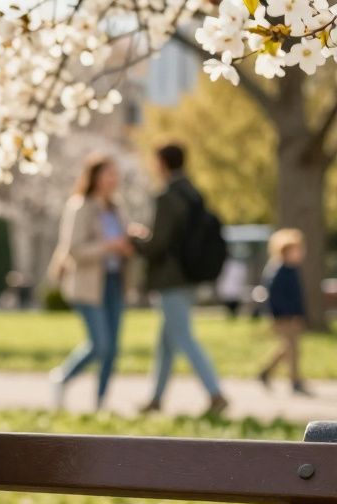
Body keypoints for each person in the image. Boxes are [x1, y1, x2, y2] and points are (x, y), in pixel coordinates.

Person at [128, 143, 229, 417]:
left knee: (183, 337)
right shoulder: (193, 193)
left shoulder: (166, 196)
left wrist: (136, 239)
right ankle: (156, 399)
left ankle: (215, 394)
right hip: (191, 275)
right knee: (166, 342)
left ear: (161, 162)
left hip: (170, 278)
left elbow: (159, 242)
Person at [46, 154, 133, 411]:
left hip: (115, 282)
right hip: (87, 285)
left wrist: (131, 240)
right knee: (100, 345)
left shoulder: (117, 208)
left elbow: (124, 239)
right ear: (94, 176)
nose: (113, 179)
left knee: (113, 349)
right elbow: (73, 249)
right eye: (108, 173)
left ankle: (101, 403)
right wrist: (109, 247)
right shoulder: (80, 206)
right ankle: (62, 377)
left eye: (115, 174)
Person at [257, 228, 310, 396]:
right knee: (292, 348)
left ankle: (266, 371)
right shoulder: (278, 271)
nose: (300, 254)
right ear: (285, 251)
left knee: (288, 348)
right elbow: (275, 297)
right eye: (296, 250)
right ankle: (295, 381)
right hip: (282, 317)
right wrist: (282, 315)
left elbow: (297, 296)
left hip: (293, 316)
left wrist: (300, 314)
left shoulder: (292, 270)